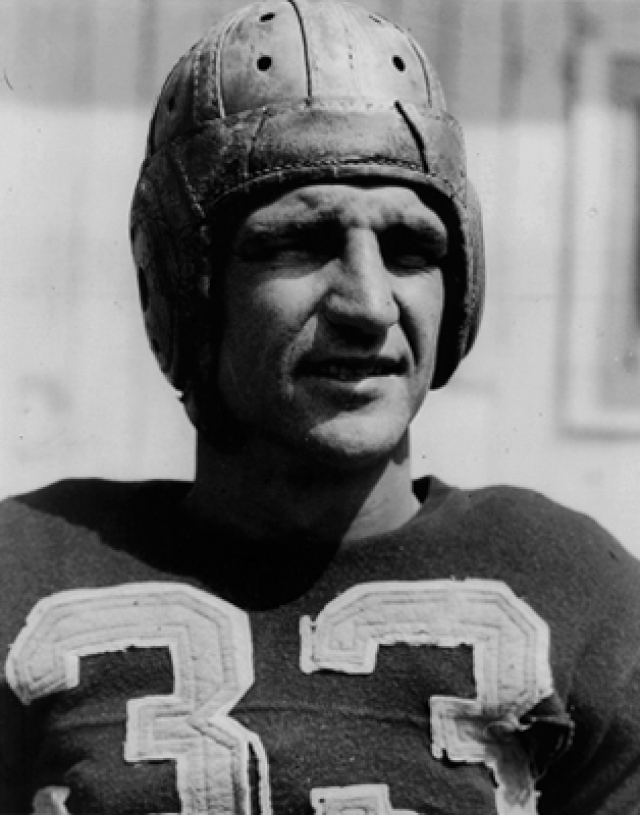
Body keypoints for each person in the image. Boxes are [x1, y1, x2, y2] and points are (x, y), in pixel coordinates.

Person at [1, 1, 639, 813]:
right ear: (185, 284)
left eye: (412, 249)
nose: (369, 305)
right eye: (299, 241)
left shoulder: (580, 590)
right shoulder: (21, 574)